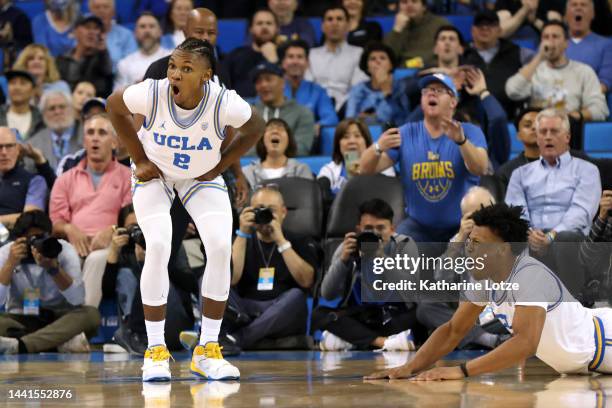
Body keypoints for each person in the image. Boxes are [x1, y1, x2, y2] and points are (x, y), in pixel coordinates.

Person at [106, 38, 265, 381]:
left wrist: (224, 162)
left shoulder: (223, 101)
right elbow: (113, 106)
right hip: (156, 176)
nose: (175, 73)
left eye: (186, 69)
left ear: (206, 76)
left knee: (221, 247)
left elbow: (257, 126)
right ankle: (155, 350)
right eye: (173, 66)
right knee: (159, 245)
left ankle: (207, 350)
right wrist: (138, 157)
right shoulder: (152, 92)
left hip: (199, 177)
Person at [365, 203, 612, 380]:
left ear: (503, 250)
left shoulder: (529, 276)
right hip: (583, 364)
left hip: (605, 344)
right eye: (469, 241)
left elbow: (525, 342)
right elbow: (453, 330)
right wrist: (411, 367)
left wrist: (461, 371)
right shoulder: (483, 279)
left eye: (477, 243)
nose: (468, 249)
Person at [360, 73, 488, 243]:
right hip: (418, 226)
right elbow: (365, 169)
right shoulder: (405, 133)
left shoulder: (470, 131)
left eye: (439, 90)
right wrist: (378, 147)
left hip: (461, 225)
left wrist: (461, 141)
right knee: (395, 254)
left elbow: (480, 168)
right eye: (427, 90)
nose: (431, 93)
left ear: (453, 102)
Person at [505, 109, 601, 295]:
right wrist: (531, 234)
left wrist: (551, 237)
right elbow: (515, 212)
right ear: (537, 138)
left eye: (554, 131)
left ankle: (572, 303)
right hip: (531, 239)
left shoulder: (587, 170)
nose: (548, 137)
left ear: (567, 137)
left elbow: (581, 212)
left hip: (570, 241)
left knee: (566, 239)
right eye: (543, 132)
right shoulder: (520, 174)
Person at [314, 198, 420, 351]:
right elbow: (328, 294)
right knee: (319, 314)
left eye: (381, 228)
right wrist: (343, 261)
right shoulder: (348, 247)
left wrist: (383, 259)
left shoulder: (404, 244)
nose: (375, 233)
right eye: (369, 228)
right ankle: (383, 343)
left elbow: (411, 293)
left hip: (393, 315)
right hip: (360, 315)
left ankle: (352, 340)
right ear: (359, 229)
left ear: (392, 229)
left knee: (422, 312)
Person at [49, 114, 132, 309]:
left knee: (95, 258)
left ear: (114, 143)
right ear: (84, 141)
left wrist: (112, 230)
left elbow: (132, 219)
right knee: (65, 256)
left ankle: (85, 323)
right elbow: (56, 222)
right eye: (90, 133)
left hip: (112, 248)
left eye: (102, 133)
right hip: (73, 246)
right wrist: (70, 229)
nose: (95, 138)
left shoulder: (128, 177)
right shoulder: (65, 179)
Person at [415, 186, 506, 350]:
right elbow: (441, 280)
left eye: (485, 212)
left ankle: (474, 339)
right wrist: (460, 240)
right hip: (468, 317)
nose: (481, 219)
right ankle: (488, 340)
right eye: (474, 216)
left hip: (499, 316)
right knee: (426, 307)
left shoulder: (510, 236)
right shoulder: (458, 240)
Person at [0, 211, 101, 354]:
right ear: (18, 239)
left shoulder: (63, 250)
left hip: (59, 320)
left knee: (91, 315)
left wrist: (53, 269)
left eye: (40, 238)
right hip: (21, 319)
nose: (35, 244)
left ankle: (21, 345)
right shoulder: (7, 252)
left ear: (50, 235)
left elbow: (77, 299)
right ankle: (57, 344)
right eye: (29, 240)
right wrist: (10, 264)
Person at [229, 186, 317, 349]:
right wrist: (242, 233)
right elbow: (232, 279)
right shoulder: (240, 240)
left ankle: (239, 339)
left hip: (283, 312)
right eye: (259, 210)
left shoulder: (300, 240)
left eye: (271, 210)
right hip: (247, 310)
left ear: (284, 212)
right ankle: (253, 337)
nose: (265, 215)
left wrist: (281, 242)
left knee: (297, 296)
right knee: (216, 286)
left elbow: (307, 282)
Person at [102, 205, 196, 354]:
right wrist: (113, 252)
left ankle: (134, 334)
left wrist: (155, 263)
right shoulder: (122, 249)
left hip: (171, 317)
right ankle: (132, 333)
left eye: (141, 226)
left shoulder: (166, 243)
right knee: (125, 275)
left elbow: (190, 285)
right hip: (136, 319)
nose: (137, 232)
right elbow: (107, 292)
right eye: (132, 228)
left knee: (156, 278)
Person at [505, 21, 609, 123]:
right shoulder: (533, 71)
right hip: (539, 132)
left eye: (555, 36)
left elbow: (600, 110)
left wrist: (570, 117)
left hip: (570, 130)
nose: (550, 42)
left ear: (566, 43)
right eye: (546, 37)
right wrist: (539, 57)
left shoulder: (583, 72)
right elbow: (512, 91)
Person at [462, 10, 535, 119]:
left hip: (510, 118)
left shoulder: (518, 53)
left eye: (491, 24)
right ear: (472, 30)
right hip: (472, 120)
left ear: (499, 30)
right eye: (480, 24)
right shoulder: (462, 54)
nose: (485, 28)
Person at [306, 5, 368, 112]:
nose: (334, 23)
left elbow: (357, 89)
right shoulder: (311, 55)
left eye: (339, 19)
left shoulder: (359, 53)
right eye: (329, 19)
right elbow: (308, 87)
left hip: (347, 108)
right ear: (322, 26)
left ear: (348, 25)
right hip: (315, 108)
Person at [318, 118, 395, 197]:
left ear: (366, 142)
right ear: (338, 144)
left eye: (357, 136)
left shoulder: (385, 166)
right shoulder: (328, 170)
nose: (351, 141)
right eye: (345, 137)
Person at [252, 62, 315, 156]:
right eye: (258, 81)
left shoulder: (302, 113)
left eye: (268, 79)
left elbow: (302, 149)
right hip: (252, 167)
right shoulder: (249, 114)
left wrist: (271, 153)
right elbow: (241, 149)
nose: (263, 85)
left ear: (283, 83)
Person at [345, 42, 410, 125]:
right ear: (367, 67)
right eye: (372, 59)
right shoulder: (358, 89)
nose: (378, 61)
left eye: (382, 58)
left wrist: (386, 90)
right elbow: (349, 119)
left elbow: (400, 120)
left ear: (391, 65)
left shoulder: (400, 88)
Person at [279, 40, 339, 130]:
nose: (295, 61)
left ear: (307, 63)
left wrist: (317, 125)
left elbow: (331, 118)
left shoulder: (318, 91)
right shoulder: (273, 89)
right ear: (283, 63)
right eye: (290, 57)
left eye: (300, 57)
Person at [222, 9, 280, 98]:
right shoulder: (236, 55)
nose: (264, 27)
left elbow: (288, 88)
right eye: (259, 23)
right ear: (251, 29)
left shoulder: (286, 55)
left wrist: (274, 61)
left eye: (269, 23)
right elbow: (223, 86)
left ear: (277, 29)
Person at [242, 118, 313, 189]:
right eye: (270, 129)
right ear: (262, 140)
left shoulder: (301, 170)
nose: (275, 131)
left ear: (289, 140)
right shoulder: (248, 172)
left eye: (281, 129)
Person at [56, 15, 114, 98]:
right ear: (75, 31)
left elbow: (107, 71)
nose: (92, 32)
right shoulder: (62, 60)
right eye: (87, 27)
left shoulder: (101, 58)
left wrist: (103, 51)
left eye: (96, 28)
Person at [0, 128, 47, 230]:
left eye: (9, 146)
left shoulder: (35, 181)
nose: (4, 152)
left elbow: (31, 219)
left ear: (18, 149)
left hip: (15, 242)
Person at [383, 0, 448, 69]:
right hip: (402, 72)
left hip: (431, 70)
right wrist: (396, 30)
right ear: (399, 7)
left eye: (414, 1)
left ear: (424, 7)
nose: (409, 5)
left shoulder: (440, 25)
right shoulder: (397, 28)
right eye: (404, 2)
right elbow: (385, 58)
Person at [114, 12, 171, 91]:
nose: (147, 30)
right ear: (135, 33)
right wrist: (134, 88)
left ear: (160, 32)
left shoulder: (172, 58)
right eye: (142, 26)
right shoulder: (125, 63)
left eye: (152, 26)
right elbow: (117, 96)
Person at [565, 0, 612, 93]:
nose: (578, 8)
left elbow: (606, 83)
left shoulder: (607, 45)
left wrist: (579, 99)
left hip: (590, 103)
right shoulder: (554, 43)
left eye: (583, 5)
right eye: (574, 5)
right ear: (566, 14)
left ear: (592, 13)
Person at [27, 90, 80, 171]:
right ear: (43, 113)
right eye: (52, 108)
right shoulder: (33, 144)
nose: (57, 112)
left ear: (71, 109)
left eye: (62, 107)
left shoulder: (87, 135)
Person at [495, 108, 541, 193]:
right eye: (527, 125)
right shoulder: (506, 172)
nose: (534, 128)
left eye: (539, 125)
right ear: (518, 135)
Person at [88, 0, 139, 72]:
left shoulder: (126, 35)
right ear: (90, 12)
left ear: (113, 12)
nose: (101, 11)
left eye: (106, 7)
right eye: (97, 7)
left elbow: (133, 64)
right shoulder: (83, 34)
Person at [0, 71, 44, 140]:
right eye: (12, 83)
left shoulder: (42, 119)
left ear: (33, 90)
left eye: (23, 83)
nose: (17, 87)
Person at [495, 0, 563, 42]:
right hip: (509, 51)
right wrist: (525, 10)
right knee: (505, 14)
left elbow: (557, 35)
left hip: (543, 50)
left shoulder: (551, 3)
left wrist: (534, 21)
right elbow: (499, 33)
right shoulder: (506, 2)